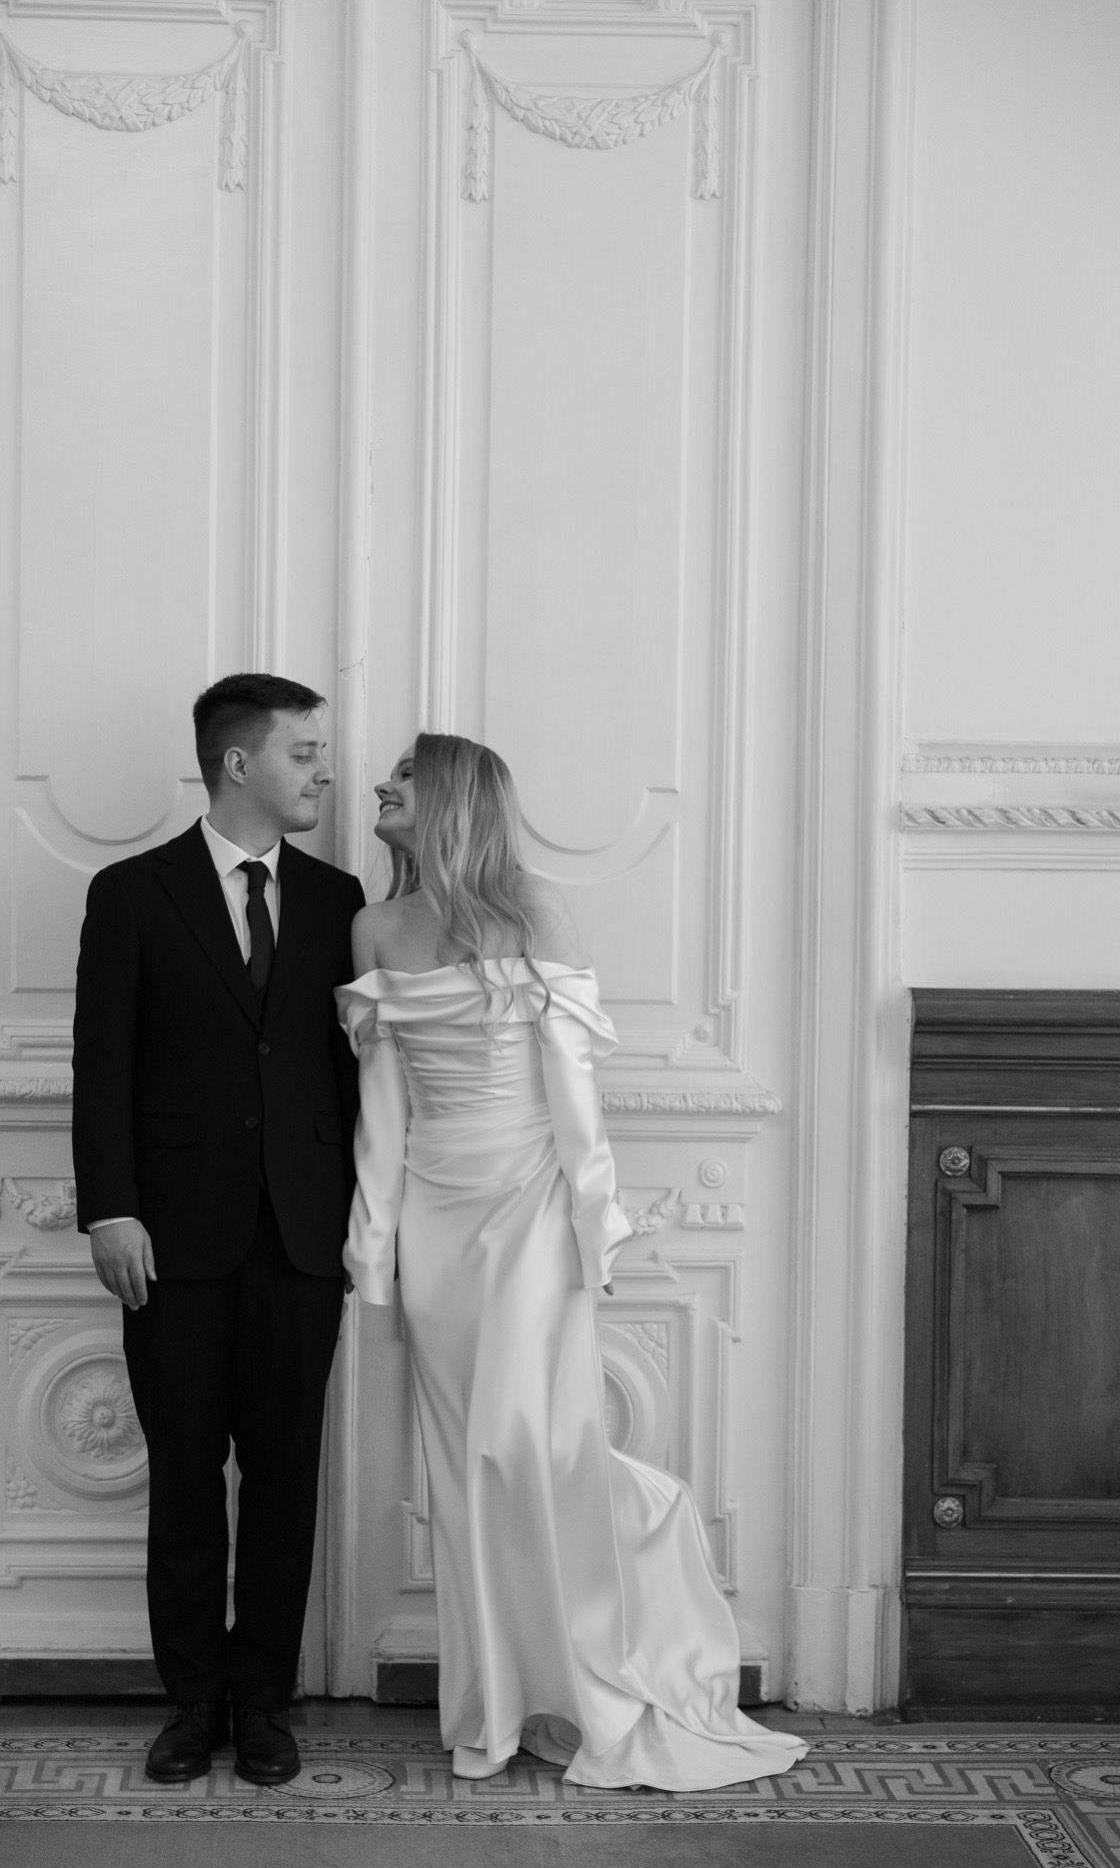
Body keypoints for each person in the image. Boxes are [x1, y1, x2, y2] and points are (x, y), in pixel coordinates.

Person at [336, 733, 807, 1791]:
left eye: (403, 777)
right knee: (463, 1472)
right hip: (436, 1226)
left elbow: (572, 1091)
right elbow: (381, 1107)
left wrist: (596, 1226)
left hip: (530, 1211)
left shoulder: (535, 914)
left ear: (451, 796)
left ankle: (583, 1682)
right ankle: (492, 1706)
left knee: (529, 1450)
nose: (380, 786)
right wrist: (374, 1246)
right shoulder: (373, 926)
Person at [72, 674, 364, 1787]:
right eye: (305, 753)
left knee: (285, 1483)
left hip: (303, 1239)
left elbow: (357, 1077)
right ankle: (192, 1702)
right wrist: (111, 1207)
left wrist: (369, 1216)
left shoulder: (340, 900)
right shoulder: (131, 894)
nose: (324, 771)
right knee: (187, 1483)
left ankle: (265, 1702)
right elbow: (102, 1062)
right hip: (171, 1242)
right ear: (239, 763)